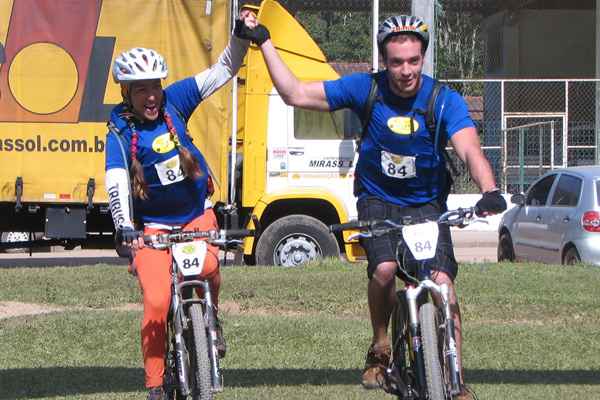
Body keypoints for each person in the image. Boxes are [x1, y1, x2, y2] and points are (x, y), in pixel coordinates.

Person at [236, 14, 507, 400]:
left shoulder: (442, 99)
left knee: (443, 286)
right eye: (397, 62)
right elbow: (295, 93)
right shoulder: (366, 89)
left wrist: (489, 190)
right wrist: (264, 42)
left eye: (413, 60)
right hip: (378, 200)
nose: (406, 70)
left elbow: (469, 149)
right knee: (383, 269)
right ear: (383, 62)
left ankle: (457, 378)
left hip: (427, 204)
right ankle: (381, 346)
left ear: (423, 59)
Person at [104, 11, 258, 400]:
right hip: (152, 228)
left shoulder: (177, 100)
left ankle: (213, 320)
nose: (152, 96)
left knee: (210, 267)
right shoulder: (121, 130)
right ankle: (156, 386)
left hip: (195, 215)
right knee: (157, 301)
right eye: (141, 89)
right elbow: (117, 179)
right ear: (126, 93)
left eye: (155, 86)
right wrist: (126, 228)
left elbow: (224, 68)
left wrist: (241, 37)